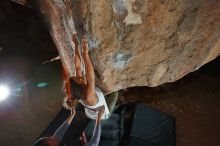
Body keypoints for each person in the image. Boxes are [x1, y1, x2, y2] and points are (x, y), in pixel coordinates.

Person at [63, 35, 113, 120]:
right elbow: (90, 77)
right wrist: (85, 53)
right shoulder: (89, 97)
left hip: (92, 105)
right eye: (77, 78)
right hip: (103, 113)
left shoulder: (77, 91)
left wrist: (76, 45)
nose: (78, 77)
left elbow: (78, 67)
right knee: (114, 93)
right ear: (79, 84)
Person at [33, 106, 105, 146]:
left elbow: (58, 133)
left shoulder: (55, 141)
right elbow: (94, 142)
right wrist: (98, 118)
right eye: (50, 140)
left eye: (48, 137)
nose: (52, 137)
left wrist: (72, 114)